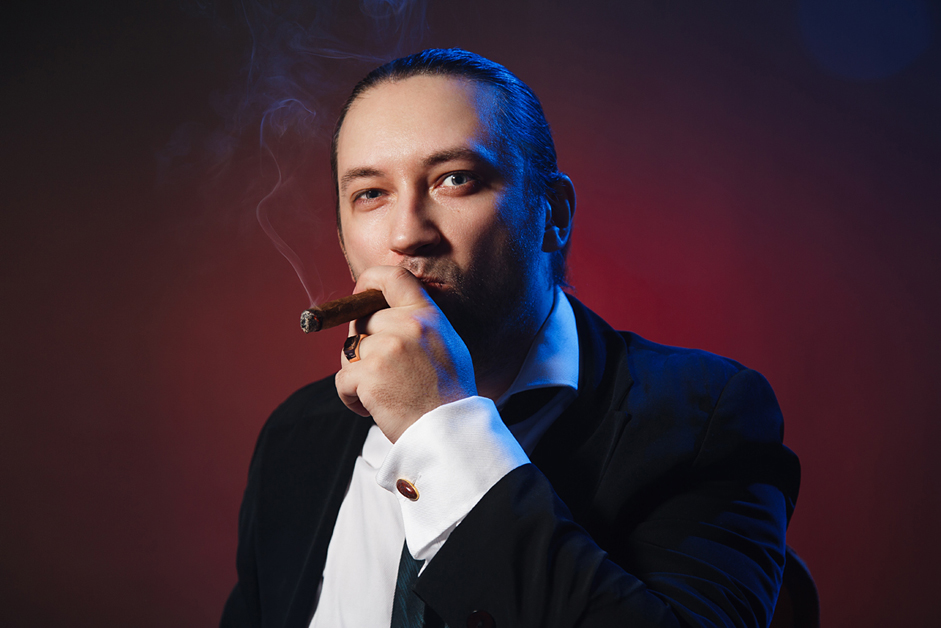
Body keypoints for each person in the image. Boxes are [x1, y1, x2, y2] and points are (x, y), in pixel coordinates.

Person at [221, 48, 800, 628]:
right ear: (343, 232)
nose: (407, 234)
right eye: (371, 193)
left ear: (553, 213)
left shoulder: (704, 420)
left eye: (455, 180)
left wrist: (438, 429)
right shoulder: (296, 435)